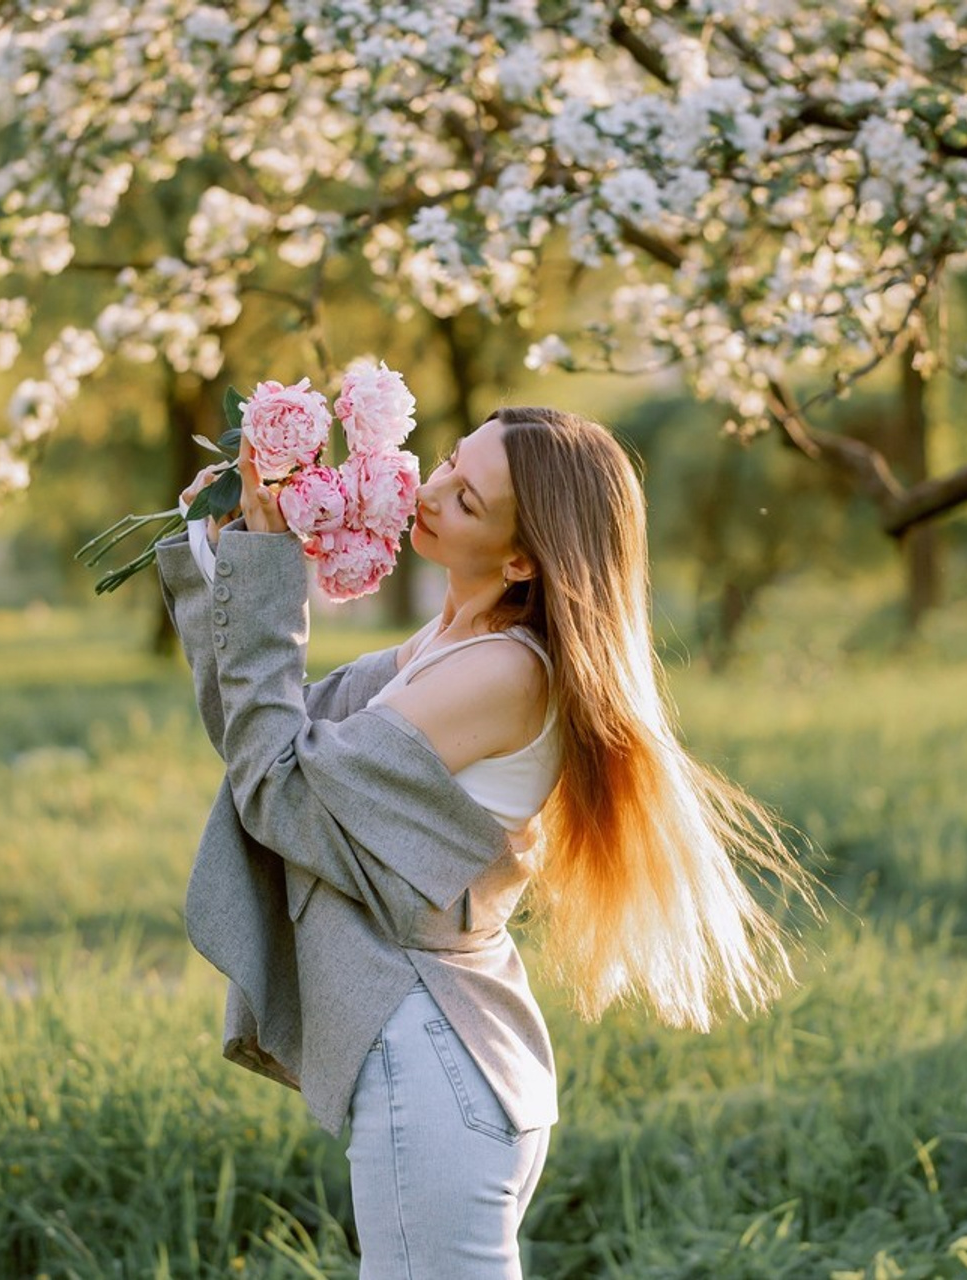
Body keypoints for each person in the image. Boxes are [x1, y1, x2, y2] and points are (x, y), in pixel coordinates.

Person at [155, 406, 812, 1279]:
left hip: (433, 1066)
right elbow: (264, 736)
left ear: (521, 559)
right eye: (448, 463)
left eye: (467, 499)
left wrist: (272, 574)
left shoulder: (504, 671)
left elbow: (281, 787)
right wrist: (229, 554)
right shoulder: (446, 644)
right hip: (438, 1056)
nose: (428, 492)